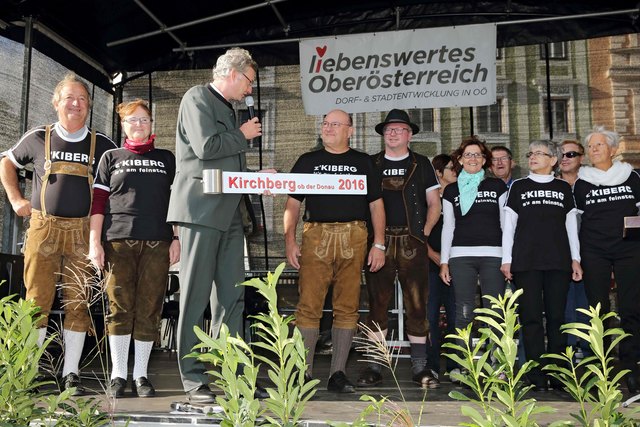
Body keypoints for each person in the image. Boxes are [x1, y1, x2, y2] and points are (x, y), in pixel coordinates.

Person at [0, 73, 116, 395]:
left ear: (88, 106)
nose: (76, 104)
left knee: (78, 304)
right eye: (69, 98)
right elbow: (6, 163)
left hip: (83, 234)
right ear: (56, 103)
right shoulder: (38, 136)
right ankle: (31, 370)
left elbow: (121, 179)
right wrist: (16, 199)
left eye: (82, 99)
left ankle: (71, 374)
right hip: (43, 230)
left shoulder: (103, 145)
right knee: (36, 301)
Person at [166, 47, 263, 403]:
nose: (249, 90)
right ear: (233, 73)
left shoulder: (228, 109)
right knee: (194, 296)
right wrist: (244, 134)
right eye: (249, 82)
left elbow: (223, 165)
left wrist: (253, 178)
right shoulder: (197, 98)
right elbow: (206, 148)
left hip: (230, 214)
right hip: (200, 213)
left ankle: (234, 375)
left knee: (231, 297)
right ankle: (193, 379)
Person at [284, 109, 385, 393]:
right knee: (309, 306)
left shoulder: (363, 161)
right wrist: (290, 241)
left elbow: (377, 205)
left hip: (355, 236)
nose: (328, 128)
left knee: (347, 306)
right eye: (325, 123)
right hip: (316, 235)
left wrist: (379, 244)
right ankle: (302, 374)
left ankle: (337, 374)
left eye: (335, 124)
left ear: (349, 130)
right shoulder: (307, 160)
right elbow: (293, 204)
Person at [88, 99, 179, 398]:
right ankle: (118, 375)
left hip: (157, 242)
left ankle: (140, 374)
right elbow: (98, 203)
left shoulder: (167, 158)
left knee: (150, 308)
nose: (138, 125)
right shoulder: (110, 157)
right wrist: (94, 242)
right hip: (117, 242)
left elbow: (176, 203)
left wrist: (176, 237)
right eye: (131, 120)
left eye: (143, 119)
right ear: (123, 125)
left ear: (152, 124)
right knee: (119, 307)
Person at [357, 109, 441, 389]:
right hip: (377, 243)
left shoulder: (422, 163)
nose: (392, 133)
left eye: (398, 129)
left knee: (417, 305)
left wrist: (423, 234)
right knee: (376, 305)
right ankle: (375, 366)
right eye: (388, 129)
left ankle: (419, 367)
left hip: (411, 243)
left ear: (410, 134)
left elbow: (434, 203)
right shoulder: (371, 163)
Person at [501, 139, 582, 391]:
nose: (533, 157)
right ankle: (536, 375)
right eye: (531, 153)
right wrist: (506, 259)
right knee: (531, 319)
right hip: (525, 263)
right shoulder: (518, 187)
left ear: (553, 160)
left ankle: (557, 374)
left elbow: (571, 226)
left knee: (558, 318)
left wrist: (575, 259)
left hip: (558, 262)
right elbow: (508, 227)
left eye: (539, 153)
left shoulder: (563, 188)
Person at [573, 125, 640, 393]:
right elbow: (574, 223)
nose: (593, 150)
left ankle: (632, 368)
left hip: (630, 249)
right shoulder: (581, 181)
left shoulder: (632, 177)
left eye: (599, 145)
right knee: (597, 312)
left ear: (613, 149)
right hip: (594, 251)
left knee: (631, 309)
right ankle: (600, 370)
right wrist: (575, 257)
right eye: (590, 146)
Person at [439, 137, 508, 381]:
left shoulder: (497, 186)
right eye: (468, 155)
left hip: (493, 256)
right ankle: (463, 363)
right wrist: (444, 261)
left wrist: (507, 258)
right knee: (464, 312)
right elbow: (448, 227)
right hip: (461, 257)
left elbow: (506, 224)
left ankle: (496, 364)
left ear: (484, 160)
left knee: (494, 312)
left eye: (477, 155)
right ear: (459, 160)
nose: (473, 158)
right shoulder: (450, 190)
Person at [557, 140, 590, 360]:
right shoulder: (550, 185)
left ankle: (588, 352)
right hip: (559, 255)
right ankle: (567, 353)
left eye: (570, 154)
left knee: (587, 305)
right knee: (564, 305)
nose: (565, 158)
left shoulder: (592, 184)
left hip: (591, 254)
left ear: (581, 158)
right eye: (561, 154)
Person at [426, 154, 457, 377]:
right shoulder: (428, 198)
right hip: (429, 265)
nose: (456, 170)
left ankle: (456, 366)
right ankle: (432, 365)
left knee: (457, 316)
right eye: (451, 167)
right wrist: (432, 254)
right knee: (430, 316)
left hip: (456, 265)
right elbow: (419, 231)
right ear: (438, 172)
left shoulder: (460, 196)